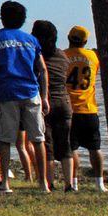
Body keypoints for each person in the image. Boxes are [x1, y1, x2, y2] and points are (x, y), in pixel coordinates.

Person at [0, 0, 49, 194]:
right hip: (31, 92)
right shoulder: (31, 40)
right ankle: (43, 183)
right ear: (23, 19)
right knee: (38, 138)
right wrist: (44, 97)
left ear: (2, 17)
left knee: (5, 139)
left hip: (8, 93)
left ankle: (5, 183)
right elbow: (43, 69)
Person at [32, 20, 73, 191]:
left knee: (47, 143)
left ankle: (49, 182)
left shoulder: (36, 57)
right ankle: (69, 183)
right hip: (64, 101)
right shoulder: (62, 56)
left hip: (45, 102)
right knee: (66, 144)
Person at [65, 25, 107, 192]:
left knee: (72, 148)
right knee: (95, 147)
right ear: (85, 41)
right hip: (90, 108)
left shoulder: (63, 56)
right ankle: (100, 183)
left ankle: (74, 182)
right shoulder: (92, 56)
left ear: (69, 38)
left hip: (70, 108)